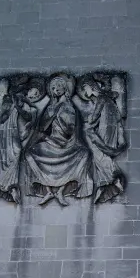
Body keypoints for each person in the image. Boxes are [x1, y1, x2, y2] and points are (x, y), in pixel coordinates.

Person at [21, 74, 94, 205]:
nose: (56, 89)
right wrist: (49, 118)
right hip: (51, 141)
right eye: (53, 87)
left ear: (65, 88)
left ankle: (61, 190)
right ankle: (48, 190)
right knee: (29, 154)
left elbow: (70, 130)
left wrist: (60, 116)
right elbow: (42, 127)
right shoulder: (50, 107)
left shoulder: (69, 106)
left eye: (59, 86)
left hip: (67, 143)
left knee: (84, 154)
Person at [0, 79, 46, 203]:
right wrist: (13, 105)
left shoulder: (30, 107)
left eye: (36, 95)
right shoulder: (13, 99)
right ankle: (7, 184)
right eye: (34, 91)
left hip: (17, 134)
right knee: (11, 153)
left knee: (16, 152)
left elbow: (28, 116)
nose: (34, 95)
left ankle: (2, 182)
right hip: (7, 131)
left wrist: (18, 107)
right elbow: (2, 116)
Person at [77, 74, 128, 203]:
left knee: (98, 154)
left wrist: (89, 119)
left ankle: (114, 178)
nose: (85, 92)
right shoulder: (108, 98)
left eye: (85, 88)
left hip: (105, 129)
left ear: (90, 86)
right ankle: (105, 184)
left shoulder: (101, 98)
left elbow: (94, 117)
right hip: (112, 129)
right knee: (100, 155)